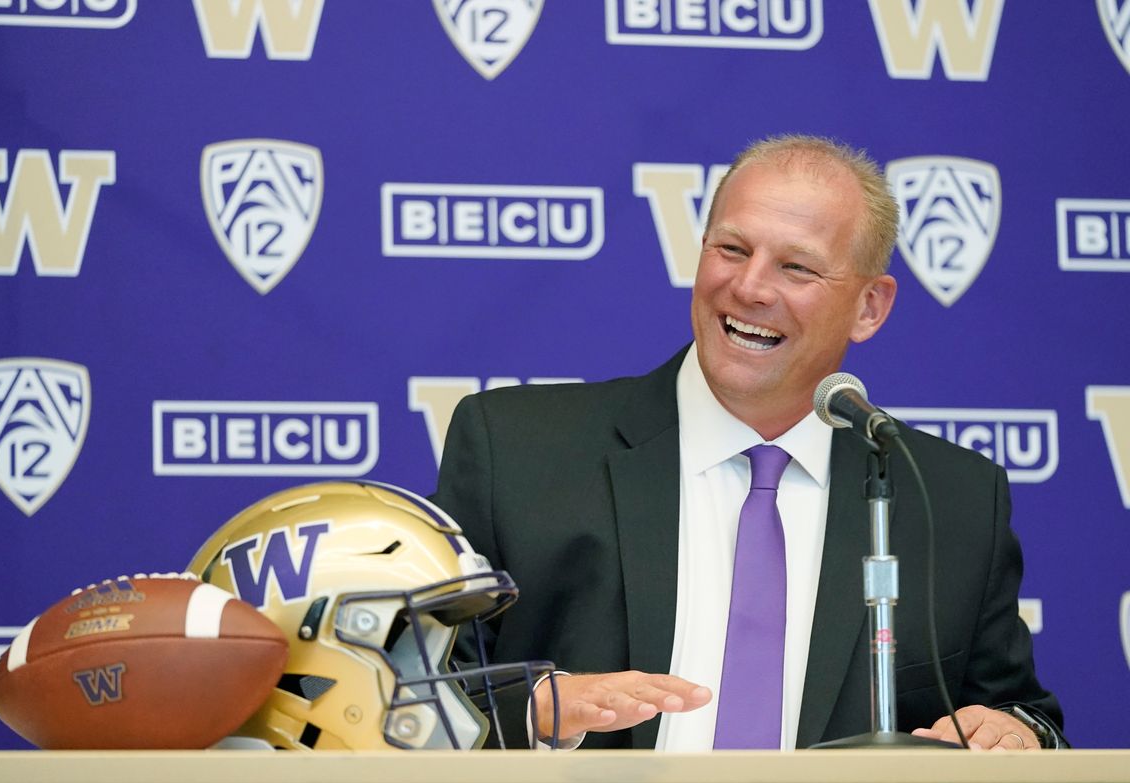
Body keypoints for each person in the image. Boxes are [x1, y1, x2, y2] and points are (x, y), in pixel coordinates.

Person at [432, 134, 1065, 751]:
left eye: (796, 266)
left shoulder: (950, 498)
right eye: (732, 249)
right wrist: (536, 712)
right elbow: (405, 697)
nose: (750, 288)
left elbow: (1020, 715)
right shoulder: (515, 450)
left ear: (869, 307)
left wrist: (1014, 733)